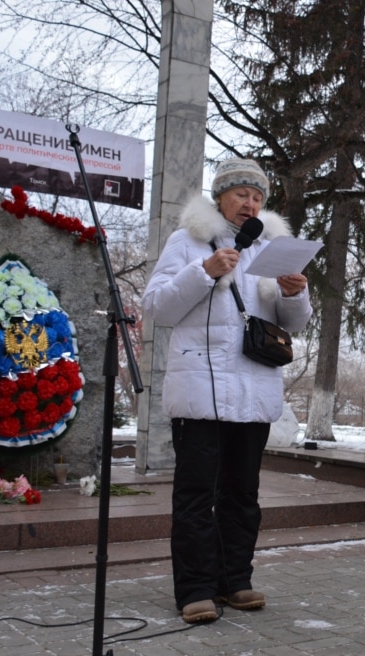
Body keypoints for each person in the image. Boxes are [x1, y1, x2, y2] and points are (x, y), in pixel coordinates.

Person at [143, 157, 312, 624]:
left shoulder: (272, 249)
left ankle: (235, 580)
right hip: (199, 391)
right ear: (220, 197)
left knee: (243, 494)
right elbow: (157, 306)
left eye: (257, 197)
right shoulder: (187, 241)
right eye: (242, 195)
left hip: (254, 390)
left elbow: (294, 323)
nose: (250, 204)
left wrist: (295, 292)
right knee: (196, 494)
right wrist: (205, 270)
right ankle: (195, 588)